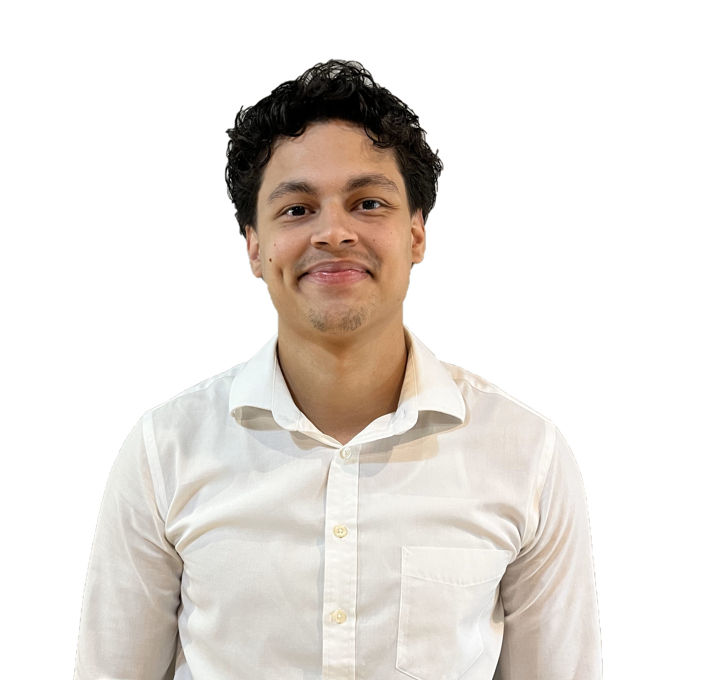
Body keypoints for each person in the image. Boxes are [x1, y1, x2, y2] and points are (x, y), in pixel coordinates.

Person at [73, 59, 602, 679]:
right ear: (254, 246)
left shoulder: (527, 454)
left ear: (416, 235)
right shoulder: (163, 451)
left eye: (367, 203)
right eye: (297, 209)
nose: (334, 232)